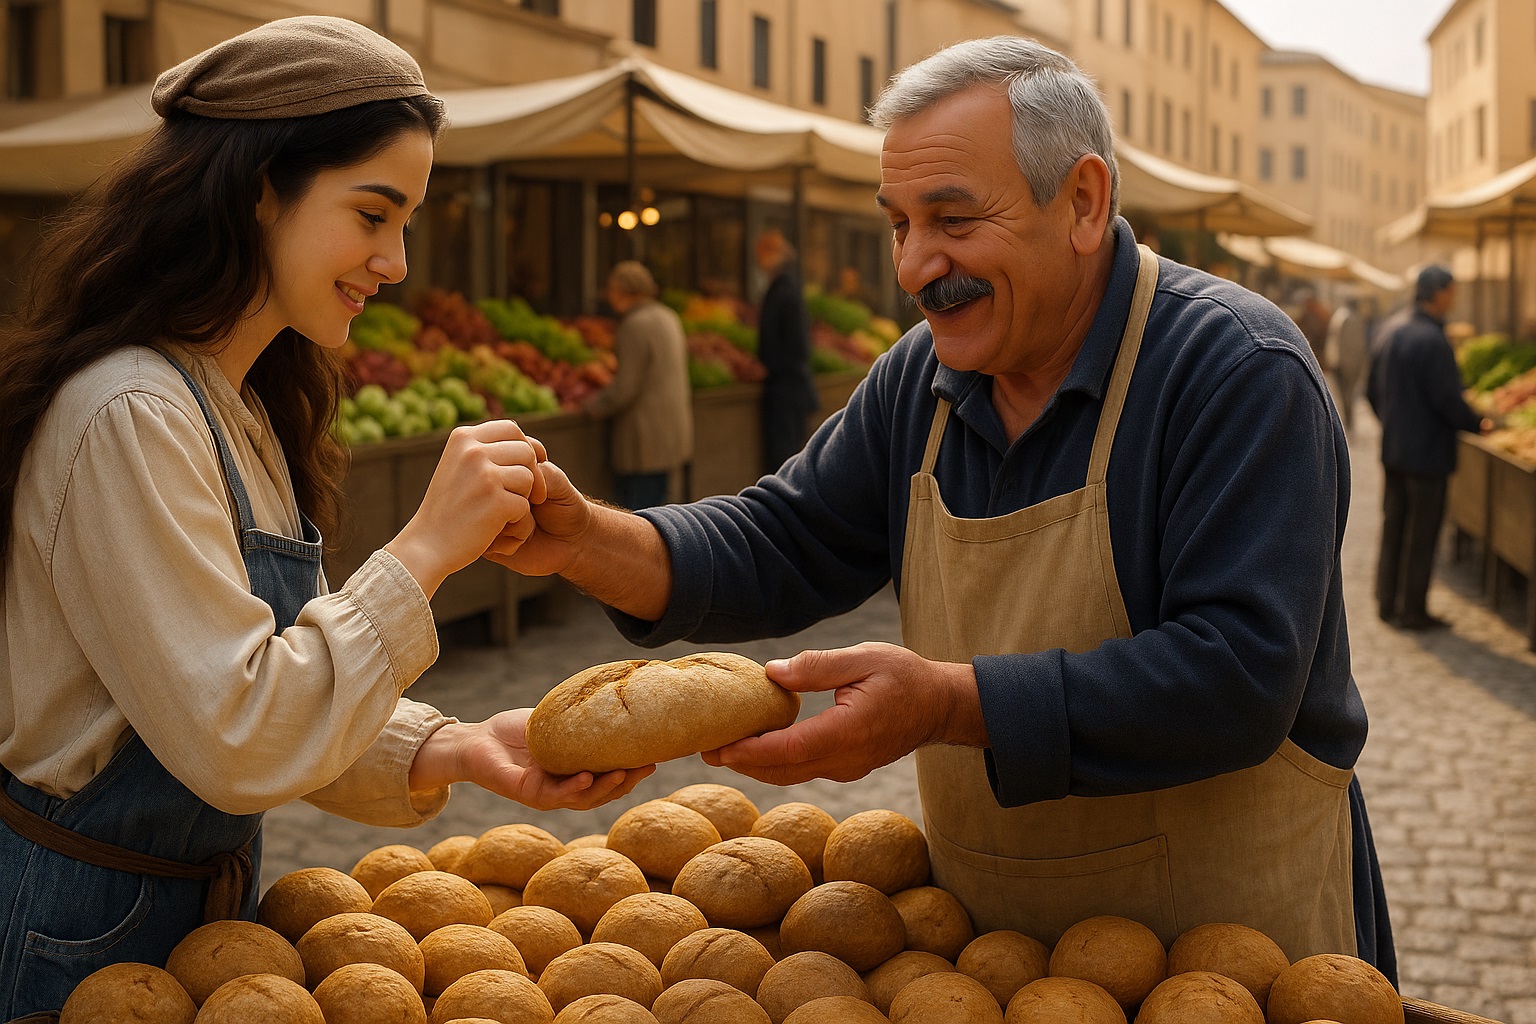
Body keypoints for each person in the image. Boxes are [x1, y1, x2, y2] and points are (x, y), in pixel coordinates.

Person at [493, 35, 1396, 981]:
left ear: (1083, 202)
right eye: (898, 224)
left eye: (954, 220)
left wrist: (947, 705)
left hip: (1239, 964)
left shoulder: (1237, 372)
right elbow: (785, 537)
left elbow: (1239, 676)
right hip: (1000, 968)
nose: (916, 266)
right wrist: (588, 539)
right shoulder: (920, 380)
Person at [0, 18, 647, 1014]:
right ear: (261, 188)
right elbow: (240, 732)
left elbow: (265, 682)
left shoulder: (242, 407)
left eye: (407, 222)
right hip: (79, 929)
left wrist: (451, 746)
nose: (393, 261)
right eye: (372, 213)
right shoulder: (131, 411)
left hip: (198, 921)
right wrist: (427, 546)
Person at [1366, 265, 1491, 631]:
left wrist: (1393, 425)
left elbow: (1372, 391)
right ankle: (1412, 609)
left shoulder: (1391, 328)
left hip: (1395, 448)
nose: (1455, 297)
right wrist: (1477, 423)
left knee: (1394, 525)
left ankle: (1386, 601)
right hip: (1428, 455)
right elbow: (1448, 400)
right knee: (1421, 533)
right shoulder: (1433, 340)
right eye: (1452, 290)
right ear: (1437, 293)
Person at [584, 261, 693, 510]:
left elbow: (625, 388)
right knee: (659, 507)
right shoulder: (668, 316)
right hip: (669, 434)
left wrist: (594, 406)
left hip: (643, 440)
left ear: (623, 291)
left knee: (637, 514)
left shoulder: (634, 325)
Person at [755, 230, 820, 474]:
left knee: (785, 458)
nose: (758, 258)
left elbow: (797, 344)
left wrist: (770, 366)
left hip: (787, 388)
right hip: (786, 385)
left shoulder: (785, 289)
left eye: (764, 251)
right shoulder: (781, 287)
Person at [1326, 297, 1370, 431]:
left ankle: (1346, 423)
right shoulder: (1352, 318)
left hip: (1340, 361)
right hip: (1348, 362)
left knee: (1343, 395)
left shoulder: (1340, 316)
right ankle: (1347, 423)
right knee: (1346, 395)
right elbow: (1356, 344)